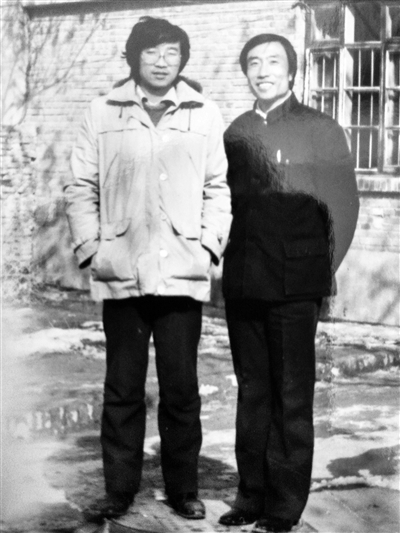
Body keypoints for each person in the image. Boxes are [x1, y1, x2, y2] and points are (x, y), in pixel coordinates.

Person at [65, 16, 231, 523]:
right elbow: (80, 186)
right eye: (152, 51)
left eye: (172, 52)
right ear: (134, 57)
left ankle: (184, 489)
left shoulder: (204, 113)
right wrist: (93, 250)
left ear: (183, 60)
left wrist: (208, 248)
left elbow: (217, 188)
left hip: (182, 270)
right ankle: (119, 490)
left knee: (181, 389)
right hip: (123, 269)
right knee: (122, 388)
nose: (162, 62)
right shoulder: (102, 112)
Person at [218, 34, 359, 533]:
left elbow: (343, 207)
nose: (263, 71)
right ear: (245, 73)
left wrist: (318, 270)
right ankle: (250, 496)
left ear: (293, 71)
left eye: (273, 62)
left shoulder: (321, 129)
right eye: (253, 63)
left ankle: (283, 506)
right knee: (252, 392)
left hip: (296, 285)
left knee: (292, 397)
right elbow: (226, 203)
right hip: (244, 283)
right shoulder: (236, 132)